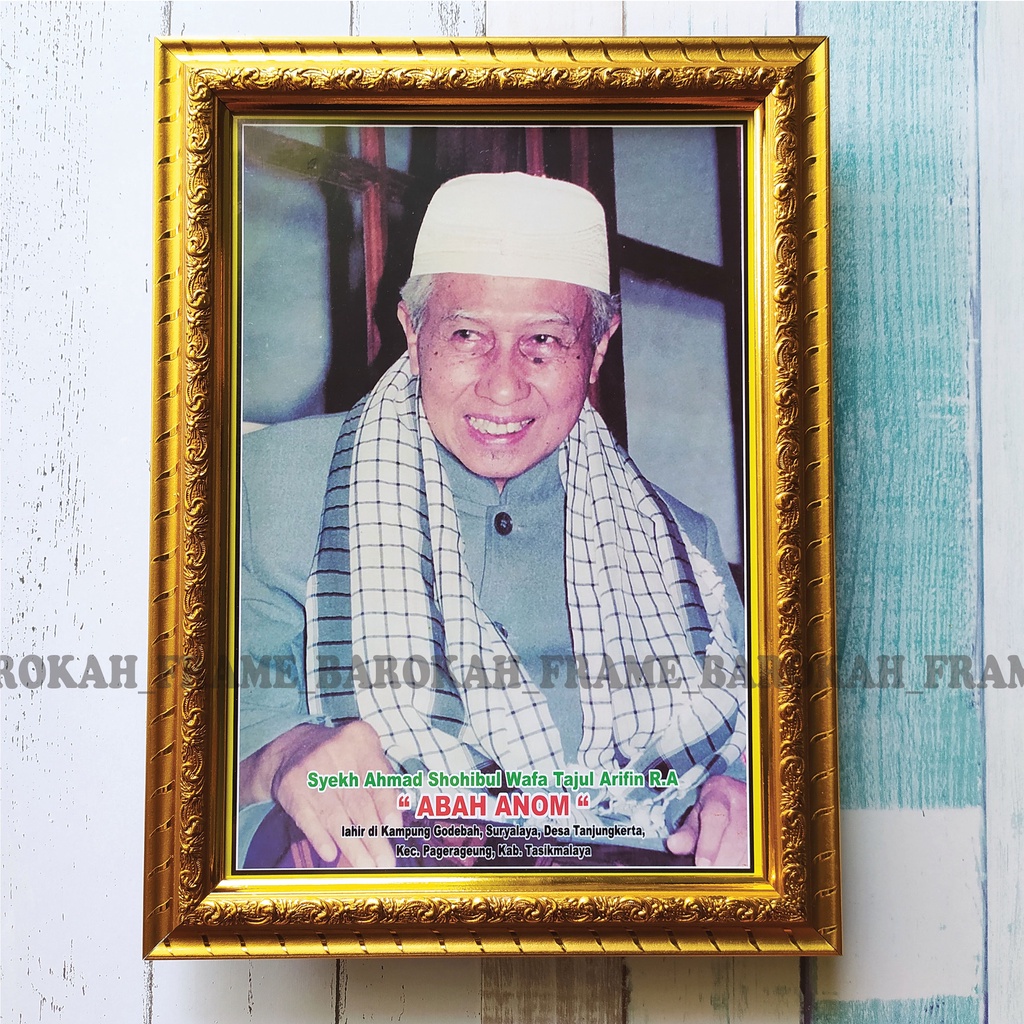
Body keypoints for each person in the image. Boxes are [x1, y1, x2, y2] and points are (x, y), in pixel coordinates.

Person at [237, 172, 748, 871]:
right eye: (467, 335)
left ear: (598, 348)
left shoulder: (688, 550)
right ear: (413, 331)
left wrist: (738, 799)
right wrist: (290, 756)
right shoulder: (268, 487)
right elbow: (182, 761)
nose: (503, 385)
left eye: (545, 341)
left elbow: (756, 761)